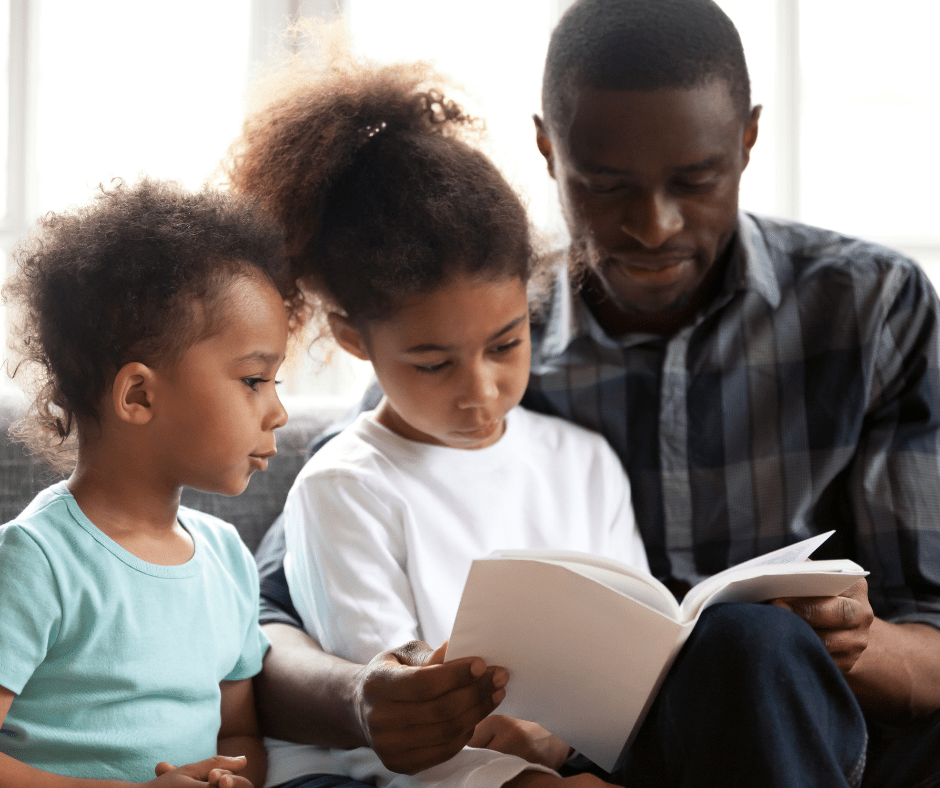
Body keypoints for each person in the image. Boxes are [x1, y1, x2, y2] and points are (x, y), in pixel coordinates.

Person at [241, 1, 940, 786]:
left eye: (696, 179)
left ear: (747, 139)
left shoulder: (872, 305)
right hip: (565, 756)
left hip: (807, 721)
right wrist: (372, 699)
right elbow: (272, 617)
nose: (652, 225)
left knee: (754, 645)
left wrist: (860, 640)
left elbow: (932, 637)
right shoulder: (473, 311)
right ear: (548, 148)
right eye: (606, 185)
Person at [228, 50, 647, 788]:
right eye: (433, 363)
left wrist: (565, 739)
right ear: (356, 338)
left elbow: (639, 650)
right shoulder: (345, 487)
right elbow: (402, 723)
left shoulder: (585, 462)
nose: (480, 391)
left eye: (506, 343)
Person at [0, 178, 296, 788]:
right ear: (139, 395)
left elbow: (239, 735)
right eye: (253, 381)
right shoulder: (34, 561)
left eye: (277, 383)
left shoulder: (226, 559)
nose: (278, 414)